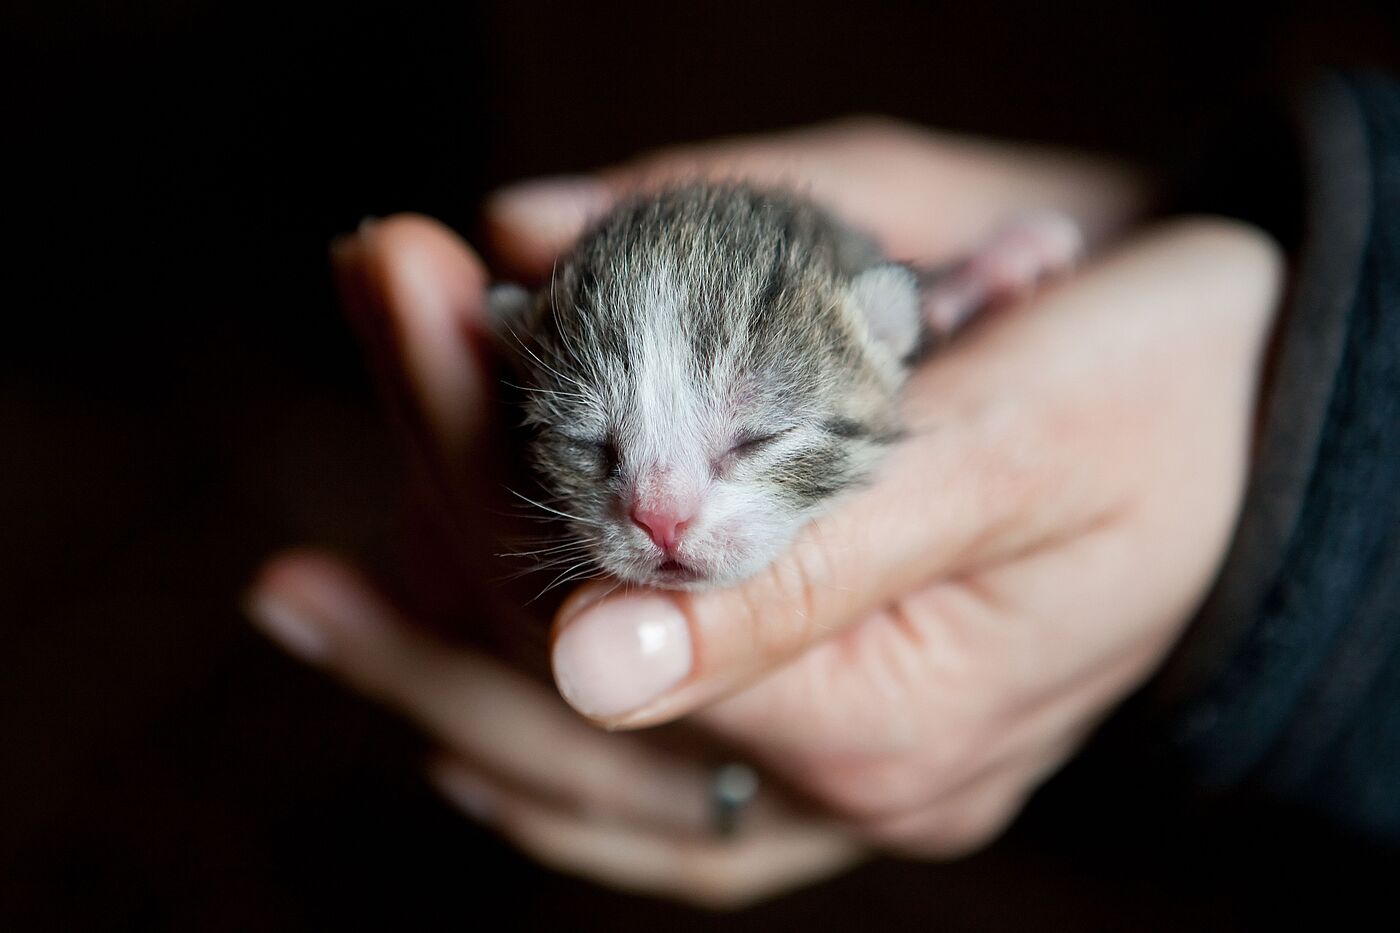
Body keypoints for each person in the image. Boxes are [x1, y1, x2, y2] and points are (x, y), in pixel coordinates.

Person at [245, 72, 1399, 907]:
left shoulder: (892, 322)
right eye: (590, 448)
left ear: (890, 341)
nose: (657, 513)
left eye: (749, 439)